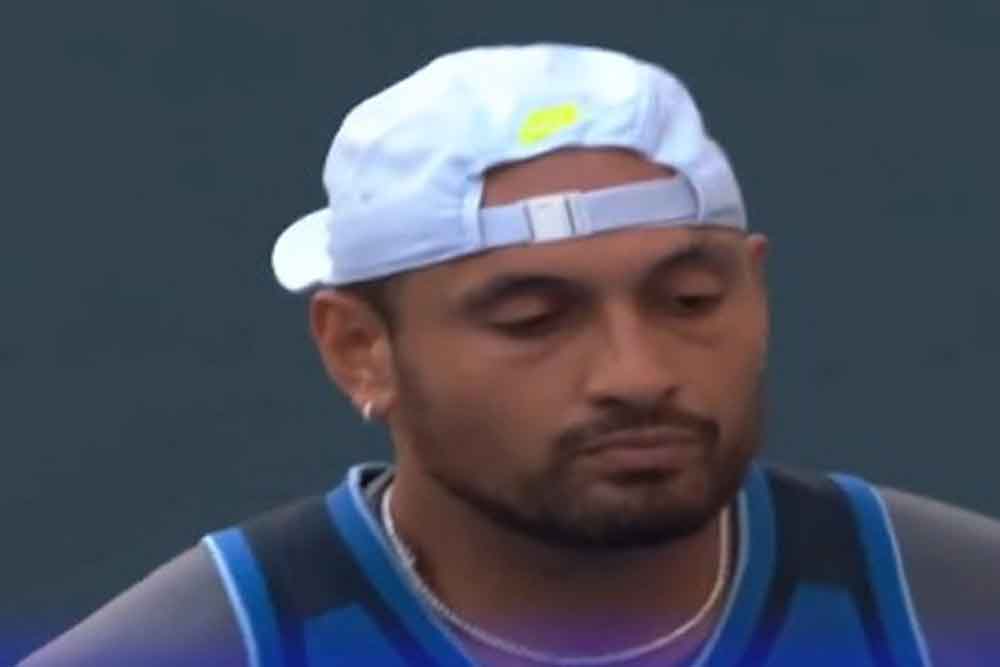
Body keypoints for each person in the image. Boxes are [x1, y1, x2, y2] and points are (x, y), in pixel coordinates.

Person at [21, 43, 1000, 667]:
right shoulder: (200, 645)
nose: (635, 371)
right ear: (360, 349)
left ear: (755, 287)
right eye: (534, 318)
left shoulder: (953, 609)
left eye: (689, 300)